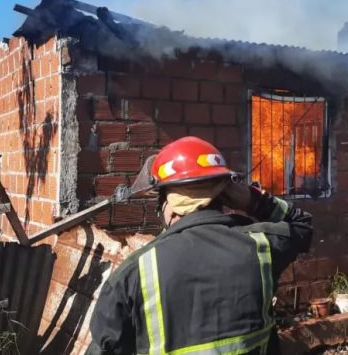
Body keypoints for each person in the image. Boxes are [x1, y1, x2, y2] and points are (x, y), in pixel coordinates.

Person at [87, 136, 313, 355]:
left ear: (170, 205)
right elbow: (302, 224)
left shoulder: (136, 271)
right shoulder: (261, 244)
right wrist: (255, 200)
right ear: (224, 197)